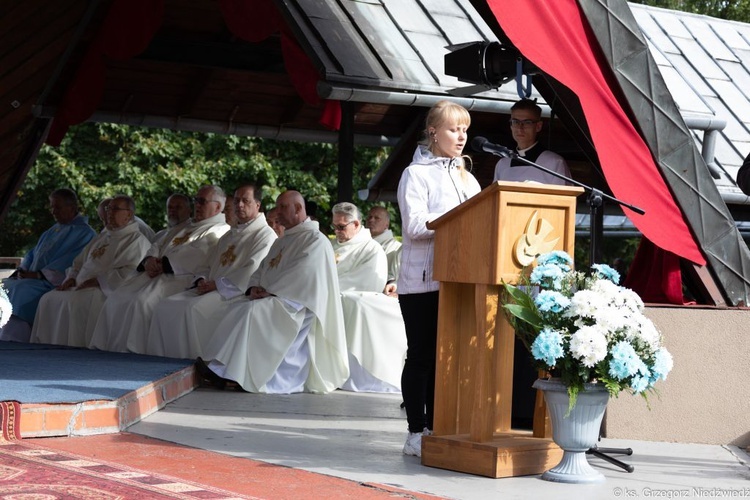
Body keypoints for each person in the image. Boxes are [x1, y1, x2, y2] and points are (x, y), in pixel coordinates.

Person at [197, 190, 348, 394]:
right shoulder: (282, 240)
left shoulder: (316, 240)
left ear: (298, 209)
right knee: (235, 307)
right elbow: (261, 269)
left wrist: (270, 292)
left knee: (250, 313)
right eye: (277, 207)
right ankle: (223, 368)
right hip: (275, 297)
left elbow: (303, 276)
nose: (277, 213)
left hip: (296, 305)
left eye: (282, 207)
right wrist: (254, 287)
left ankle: (235, 374)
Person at [397, 100, 481, 457]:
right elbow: (415, 226)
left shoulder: (468, 176)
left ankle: (443, 423)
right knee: (422, 356)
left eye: (464, 129)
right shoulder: (414, 175)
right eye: (453, 129)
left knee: (450, 356)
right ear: (433, 132)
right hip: (422, 281)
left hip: (459, 281)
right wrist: (460, 213)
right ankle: (416, 431)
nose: (461, 136)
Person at [89, 185, 230, 353]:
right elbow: (158, 243)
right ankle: (108, 349)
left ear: (218, 207)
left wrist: (164, 264)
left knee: (141, 303)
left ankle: (135, 351)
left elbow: (199, 254)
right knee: (117, 297)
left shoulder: (220, 229)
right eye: (195, 200)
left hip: (178, 278)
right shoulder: (186, 225)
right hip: (154, 273)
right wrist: (149, 260)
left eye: (202, 201)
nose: (197, 205)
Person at [146, 184, 277, 359]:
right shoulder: (229, 235)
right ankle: (160, 360)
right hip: (210, 287)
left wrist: (216, 285)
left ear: (257, 205)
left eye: (245, 201)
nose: (239, 205)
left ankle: (192, 363)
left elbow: (251, 272)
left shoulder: (265, 235)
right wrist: (201, 280)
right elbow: (207, 265)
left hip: (233, 293)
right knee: (165, 305)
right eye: (237, 200)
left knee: (191, 309)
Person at [30, 195, 153, 347]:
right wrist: (72, 277)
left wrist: (98, 281)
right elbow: (79, 261)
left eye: (115, 209)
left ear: (129, 214)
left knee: (76, 302)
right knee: (48, 298)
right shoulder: (103, 236)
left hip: (103, 290)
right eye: (108, 208)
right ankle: (45, 348)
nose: (109, 212)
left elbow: (130, 271)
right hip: (80, 286)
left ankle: (74, 350)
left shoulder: (136, 241)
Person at [0, 188, 96, 342]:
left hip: (51, 283)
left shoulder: (86, 234)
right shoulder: (53, 230)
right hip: (33, 279)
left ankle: (15, 340)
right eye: (51, 207)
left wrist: (39, 275)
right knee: (5, 286)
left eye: (57, 207)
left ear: (72, 207)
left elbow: (71, 261)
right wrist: (23, 270)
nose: (53, 211)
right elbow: (33, 254)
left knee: (20, 290)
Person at [331, 202, 406, 393]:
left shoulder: (371, 249)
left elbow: (368, 280)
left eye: (341, 227)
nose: (337, 231)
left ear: (356, 225)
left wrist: (327, 289)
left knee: (356, 305)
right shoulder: (330, 245)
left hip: (348, 297)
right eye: (334, 226)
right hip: (329, 296)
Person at [492, 98, 572, 186]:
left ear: (538, 126)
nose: (520, 128)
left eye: (527, 122)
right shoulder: (503, 164)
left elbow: (563, 198)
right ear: (511, 126)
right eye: (515, 122)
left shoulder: (554, 162)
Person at [366, 206, 401, 293]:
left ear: (387, 224)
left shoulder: (396, 248)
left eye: (377, 218)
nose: (371, 220)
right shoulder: (359, 243)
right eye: (369, 217)